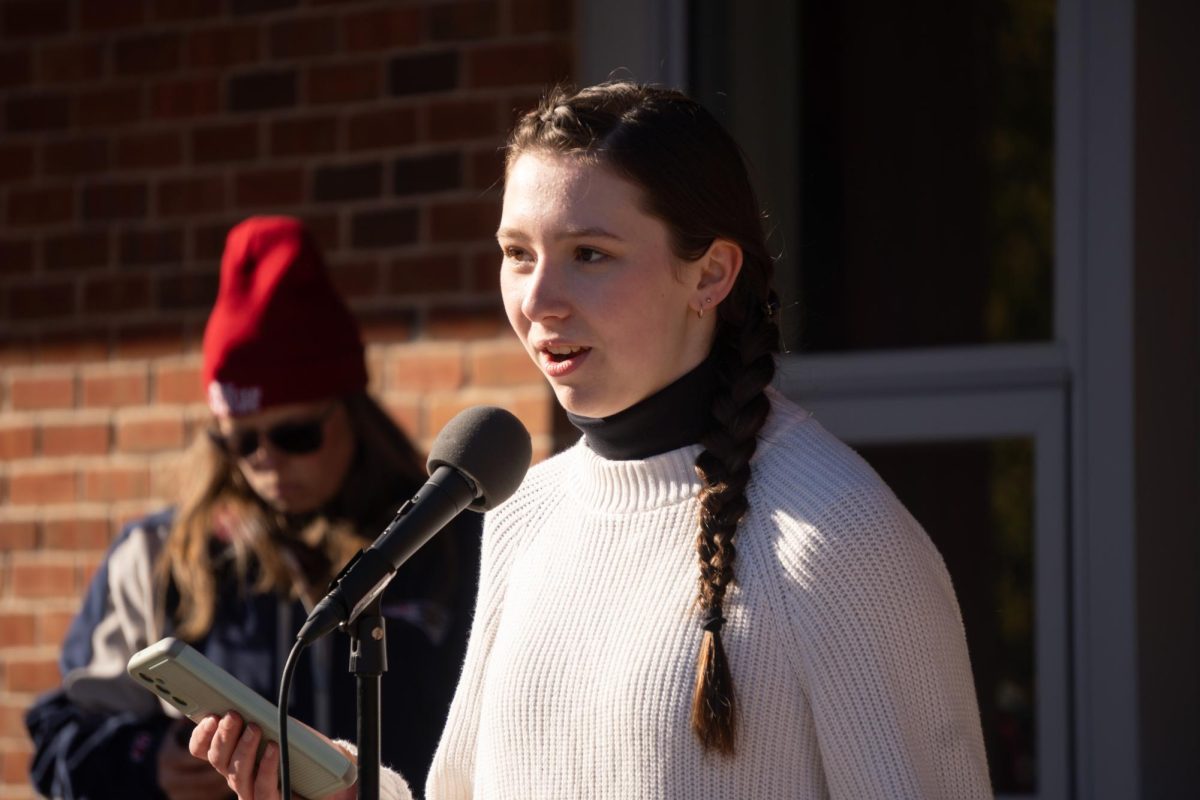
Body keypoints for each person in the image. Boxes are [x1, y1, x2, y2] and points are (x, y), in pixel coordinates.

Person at [192, 83, 993, 799]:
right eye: (516, 254)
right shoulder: (520, 511)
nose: (538, 299)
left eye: (589, 255)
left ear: (710, 275)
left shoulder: (843, 537)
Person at [26, 216, 478, 800]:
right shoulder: (159, 556)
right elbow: (61, 738)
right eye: (240, 441)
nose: (265, 461)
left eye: (294, 435)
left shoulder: (451, 540)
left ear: (351, 413)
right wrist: (149, 764)